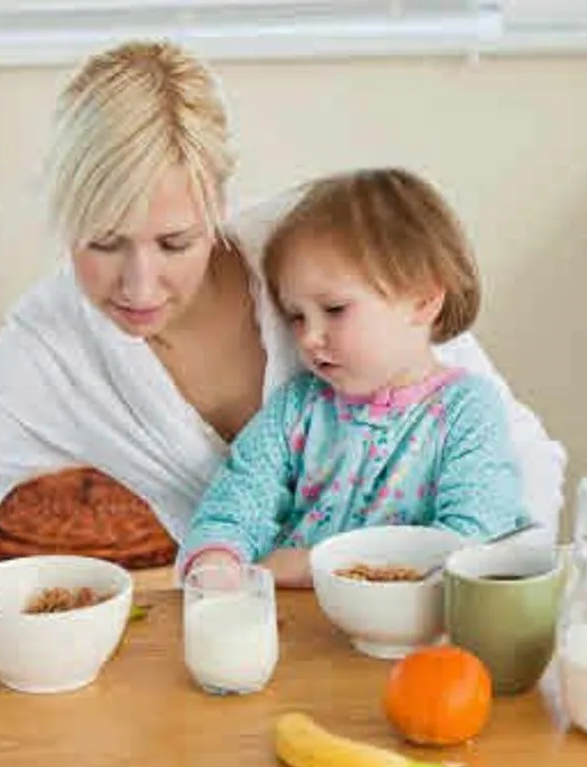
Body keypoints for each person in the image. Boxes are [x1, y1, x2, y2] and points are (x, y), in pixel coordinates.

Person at [0, 40, 566, 617]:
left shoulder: (329, 254)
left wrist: (472, 594)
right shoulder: (53, 350)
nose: (138, 285)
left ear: (219, 200)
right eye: (101, 243)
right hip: (244, 645)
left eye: (175, 243)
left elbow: (520, 453)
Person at [179, 167, 532, 579]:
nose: (309, 337)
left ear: (422, 301)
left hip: (419, 626)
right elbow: (238, 500)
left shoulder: (466, 410)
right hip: (299, 623)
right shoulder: (297, 408)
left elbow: (474, 539)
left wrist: (318, 565)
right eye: (295, 316)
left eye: (334, 310)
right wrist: (216, 561)